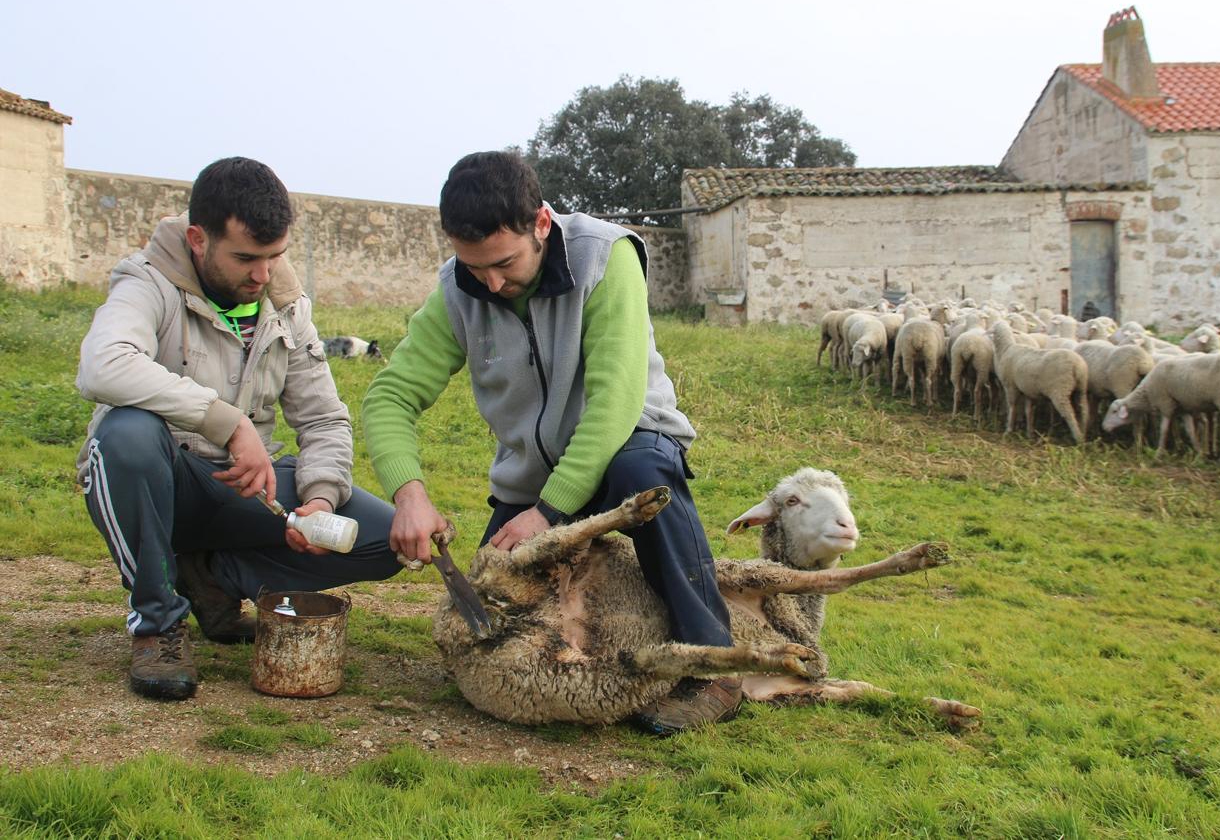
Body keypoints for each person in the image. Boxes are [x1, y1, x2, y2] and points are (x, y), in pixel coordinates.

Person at [362, 151, 740, 734]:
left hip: (627, 445)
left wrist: (548, 514)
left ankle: (713, 665)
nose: (491, 283)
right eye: (474, 267)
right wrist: (408, 495)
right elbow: (389, 396)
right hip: (534, 478)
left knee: (642, 475)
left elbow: (615, 403)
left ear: (541, 223)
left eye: (504, 263)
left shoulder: (604, 256)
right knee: (487, 614)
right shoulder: (458, 289)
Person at [76, 157, 402, 701]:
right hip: (166, 480)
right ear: (199, 240)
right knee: (126, 434)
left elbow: (323, 417)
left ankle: (210, 579)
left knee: (383, 539)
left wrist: (319, 500)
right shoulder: (147, 281)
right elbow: (102, 365)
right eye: (247, 258)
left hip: (248, 489)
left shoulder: (286, 305)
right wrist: (227, 423)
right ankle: (157, 625)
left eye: (275, 256)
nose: (263, 275)